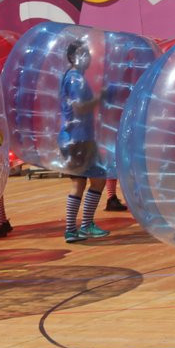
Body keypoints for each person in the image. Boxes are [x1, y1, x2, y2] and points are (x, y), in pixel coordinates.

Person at [58, 40, 110, 243]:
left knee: (85, 181)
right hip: (79, 138)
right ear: (73, 57)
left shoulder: (71, 77)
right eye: (84, 54)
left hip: (74, 137)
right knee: (94, 180)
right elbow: (80, 107)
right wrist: (101, 98)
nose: (88, 58)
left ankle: (77, 227)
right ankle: (78, 227)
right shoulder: (75, 78)